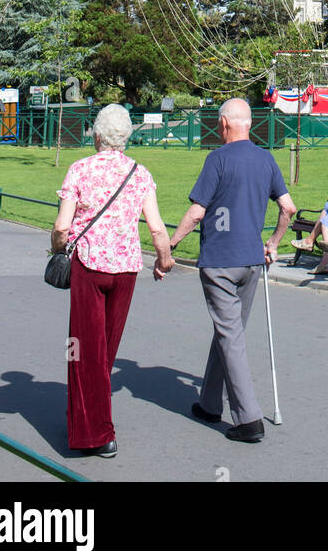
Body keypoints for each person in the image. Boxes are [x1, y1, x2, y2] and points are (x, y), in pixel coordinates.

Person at [169, 98, 295, 442]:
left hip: (220, 262)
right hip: (252, 262)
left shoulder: (218, 159)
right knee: (229, 331)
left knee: (230, 335)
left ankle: (249, 420)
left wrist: (171, 244)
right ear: (250, 124)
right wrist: (273, 243)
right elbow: (288, 207)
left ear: (224, 124)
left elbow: (197, 213)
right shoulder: (266, 158)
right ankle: (210, 403)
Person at [51, 103, 174, 457]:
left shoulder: (79, 170)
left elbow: (62, 226)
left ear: (97, 135)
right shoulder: (139, 173)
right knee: (104, 350)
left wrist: (57, 248)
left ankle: (95, 431)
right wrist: (164, 259)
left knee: (82, 349)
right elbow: (156, 226)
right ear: (126, 137)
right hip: (125, 270)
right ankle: (86, 416)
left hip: (89, 267)